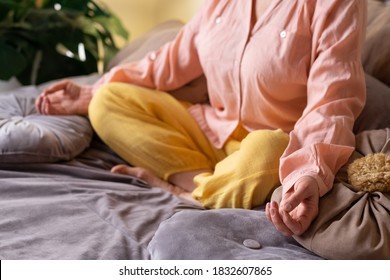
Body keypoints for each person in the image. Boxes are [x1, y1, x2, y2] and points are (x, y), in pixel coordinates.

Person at [35, 0, 367, 236]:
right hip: (209, 130)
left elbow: (334, 98)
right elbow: (167, 63)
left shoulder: (336, 4)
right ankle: (205, 184)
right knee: (109, 101)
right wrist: (91, 91)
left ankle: (185, 192)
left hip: (268, 147)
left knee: (267, 149)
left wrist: (309, 173)